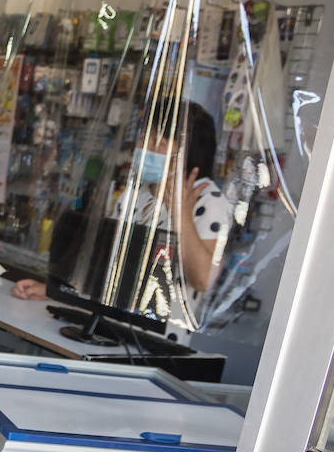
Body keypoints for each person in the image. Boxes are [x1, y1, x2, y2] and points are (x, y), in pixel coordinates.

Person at [13, 101, 231, 319]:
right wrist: (55, 291)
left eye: (160, 142)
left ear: (188, 154)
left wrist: (180, 214)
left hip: (159, 338)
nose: (146, 148)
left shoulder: (208, 200)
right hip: (111, 323)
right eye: (144, 137)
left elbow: (203, 279)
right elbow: (104, 266)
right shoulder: (136, 194)